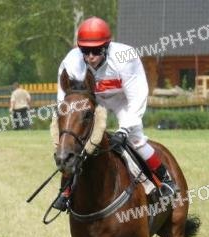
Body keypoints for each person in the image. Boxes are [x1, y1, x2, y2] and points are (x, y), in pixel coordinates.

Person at [52, 16, 176, 211]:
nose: (90, 57)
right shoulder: (72, 61)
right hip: (92, 102)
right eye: (85, 51)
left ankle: (165, 181)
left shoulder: (126, 58)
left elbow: (137, 96)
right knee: (75, 145)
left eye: (96, 51)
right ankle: (66, 191)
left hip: (122, 99)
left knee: (136, 140)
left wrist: (124, 130)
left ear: (107, 47)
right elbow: (65, 99)